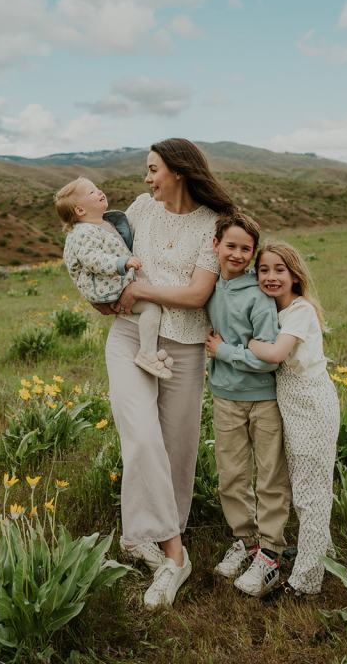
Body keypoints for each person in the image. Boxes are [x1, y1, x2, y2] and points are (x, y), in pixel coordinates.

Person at [99, 139, 236, 608]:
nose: (146, 178)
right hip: (130, 337)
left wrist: (141, 290)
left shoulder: (213, 224)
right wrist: (103, 296)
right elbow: (106, 256)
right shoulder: (140, 208)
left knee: (177, 447)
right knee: (141, 437)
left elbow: (198, 294)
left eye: (153, 169)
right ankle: (175, 557)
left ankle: (144, 535)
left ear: (178, 171)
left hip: (184, 344)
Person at [204, 212, 291, 598]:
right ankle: (246, 542)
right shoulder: (210, 288)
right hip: (225, 397)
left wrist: (225, 352)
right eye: (231, 246)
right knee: (231, 476)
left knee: (269, 476)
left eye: (246, 249)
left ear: (253, 253)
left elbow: (268, 358)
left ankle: (271, 551)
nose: (237, 254)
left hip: (263, 399)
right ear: (216, 245)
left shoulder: (259, 295)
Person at [247, 241, 339, 596]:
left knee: (310, 493)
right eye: (263, 270)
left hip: (311, 407)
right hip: (294, 406)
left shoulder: (300, 311)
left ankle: (305, 582)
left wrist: (247, 344)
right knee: (307, 486)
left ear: (295, 275)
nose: (270, 277)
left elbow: (275, 354)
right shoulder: (274, 309)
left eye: (279, 270)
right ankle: (322, 555)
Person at [55, 177, 173, 379]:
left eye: (97, 188)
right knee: (151, 308)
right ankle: (147, 353)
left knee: (148, 306)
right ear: (80, 210)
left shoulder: (103, 223)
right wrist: (122, 263)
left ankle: (152, 350)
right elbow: (92, 259)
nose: (99, 191)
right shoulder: (83, 232)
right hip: (107, 288)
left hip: (112, 283)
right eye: (92, 192)